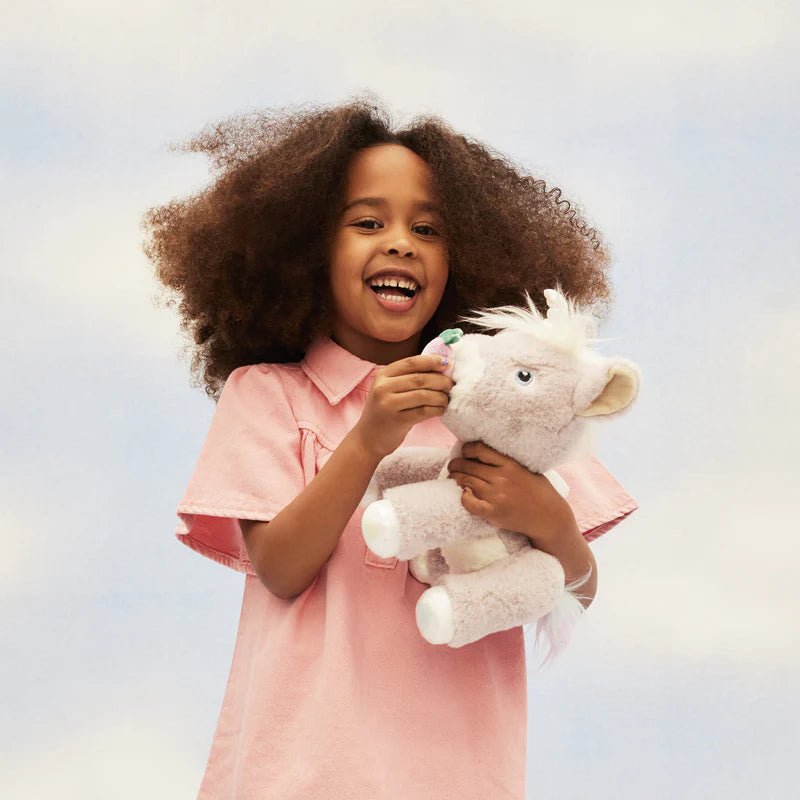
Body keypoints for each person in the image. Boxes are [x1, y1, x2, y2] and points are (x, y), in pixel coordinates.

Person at [142, 98, 638, 799]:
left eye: (427, 228)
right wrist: (369, 441)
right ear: (310, 251)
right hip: (299, 772)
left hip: (461, 774)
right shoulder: (270, 396)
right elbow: (279, 569)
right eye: (368, 222)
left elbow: (577, 591)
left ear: (462, 258)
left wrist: (546, 519)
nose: (401, 242)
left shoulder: (503, 411)